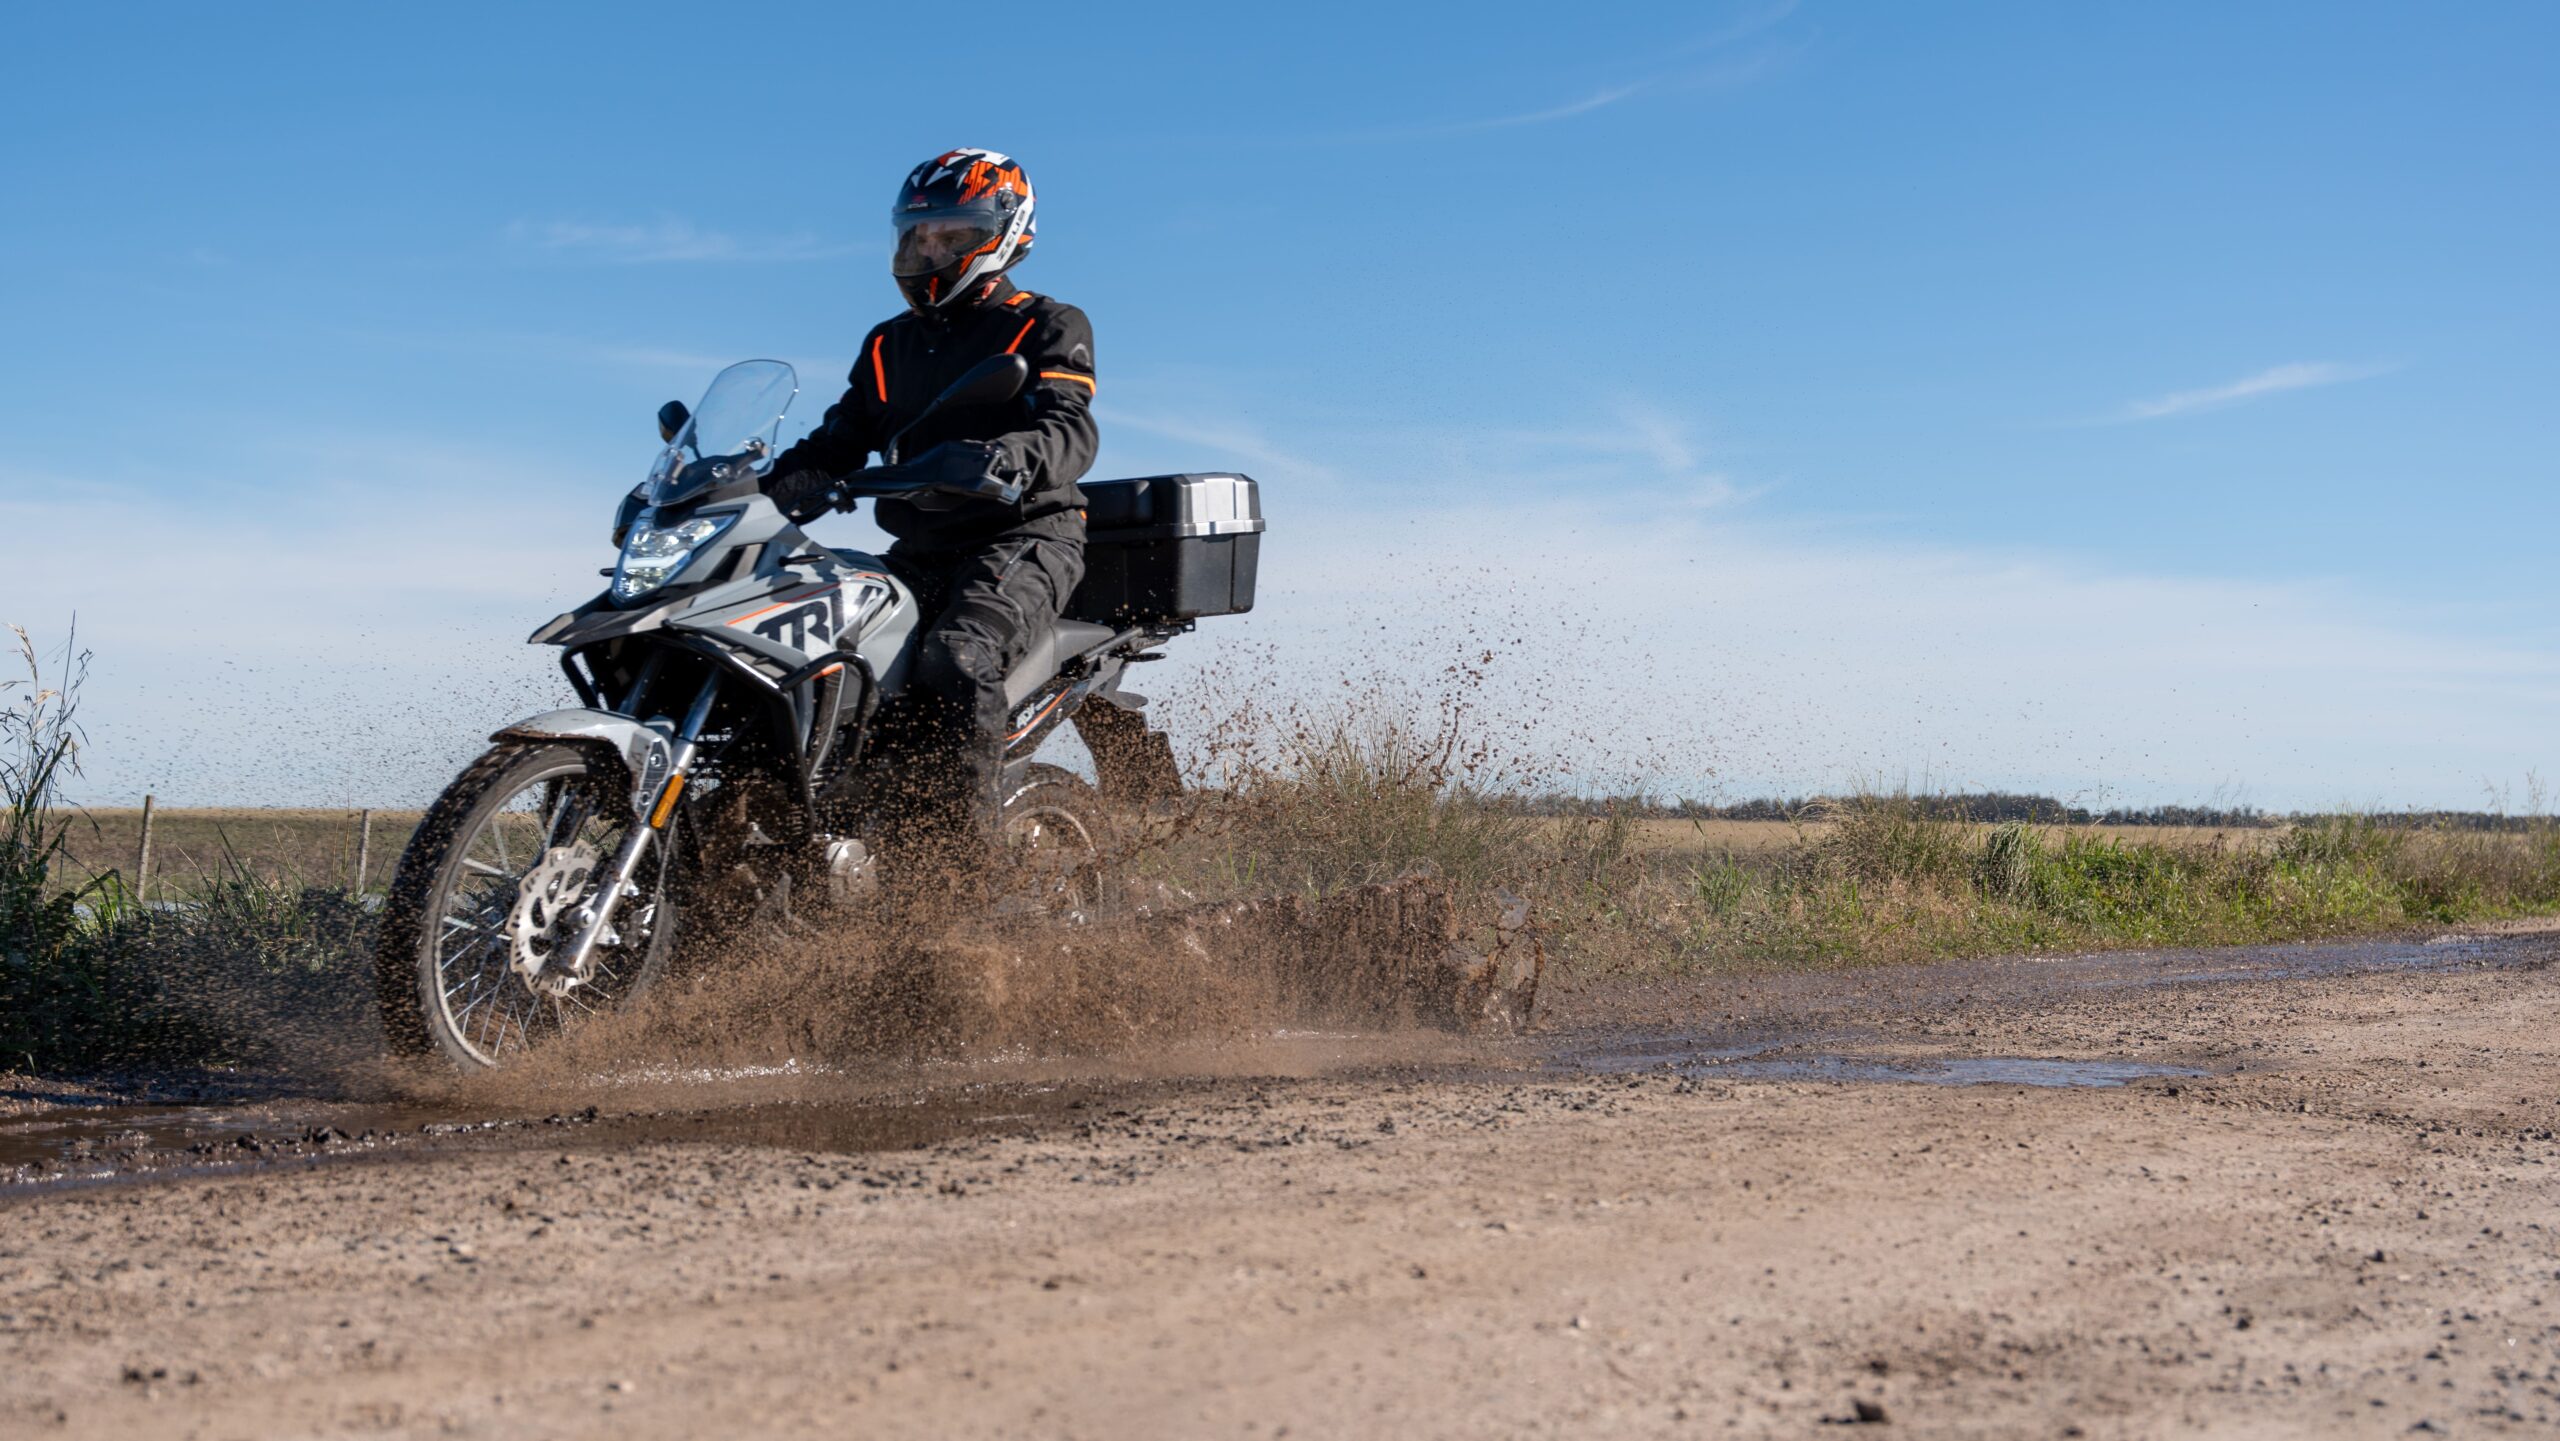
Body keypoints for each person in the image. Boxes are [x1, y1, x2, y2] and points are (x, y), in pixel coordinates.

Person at [761, 148, 1097, 888]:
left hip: (1024, 539)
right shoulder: (889, 344)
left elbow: (1069, 427)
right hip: (919, 550)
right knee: (810, 647)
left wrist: (1007, 457)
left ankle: (962, 889)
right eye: (919, 236)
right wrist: (744, 493)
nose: (930, 251)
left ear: (1003, 234)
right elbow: (836, 443)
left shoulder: (1045, 323)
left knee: (958, 656)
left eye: (952, 235)